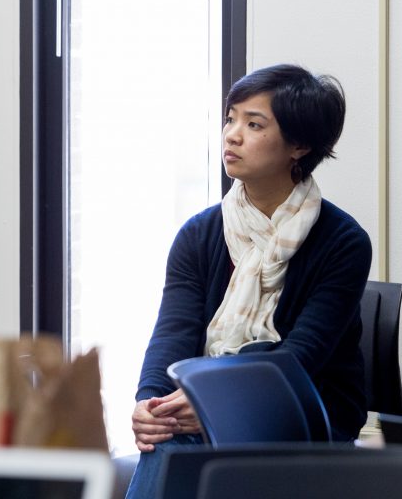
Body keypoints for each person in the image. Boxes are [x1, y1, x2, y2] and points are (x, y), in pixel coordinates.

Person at [124, 64, 372, 498]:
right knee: (167, 437)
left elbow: (301, 357)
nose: (232, 135)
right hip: (205, 401)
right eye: (230, 118)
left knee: (178, 447)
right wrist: (151, 402)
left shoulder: (344, 242)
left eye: (253, 124)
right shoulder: (199, 234)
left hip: (306, 410)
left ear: (299, 145)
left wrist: (217, 400)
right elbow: (172, 334)